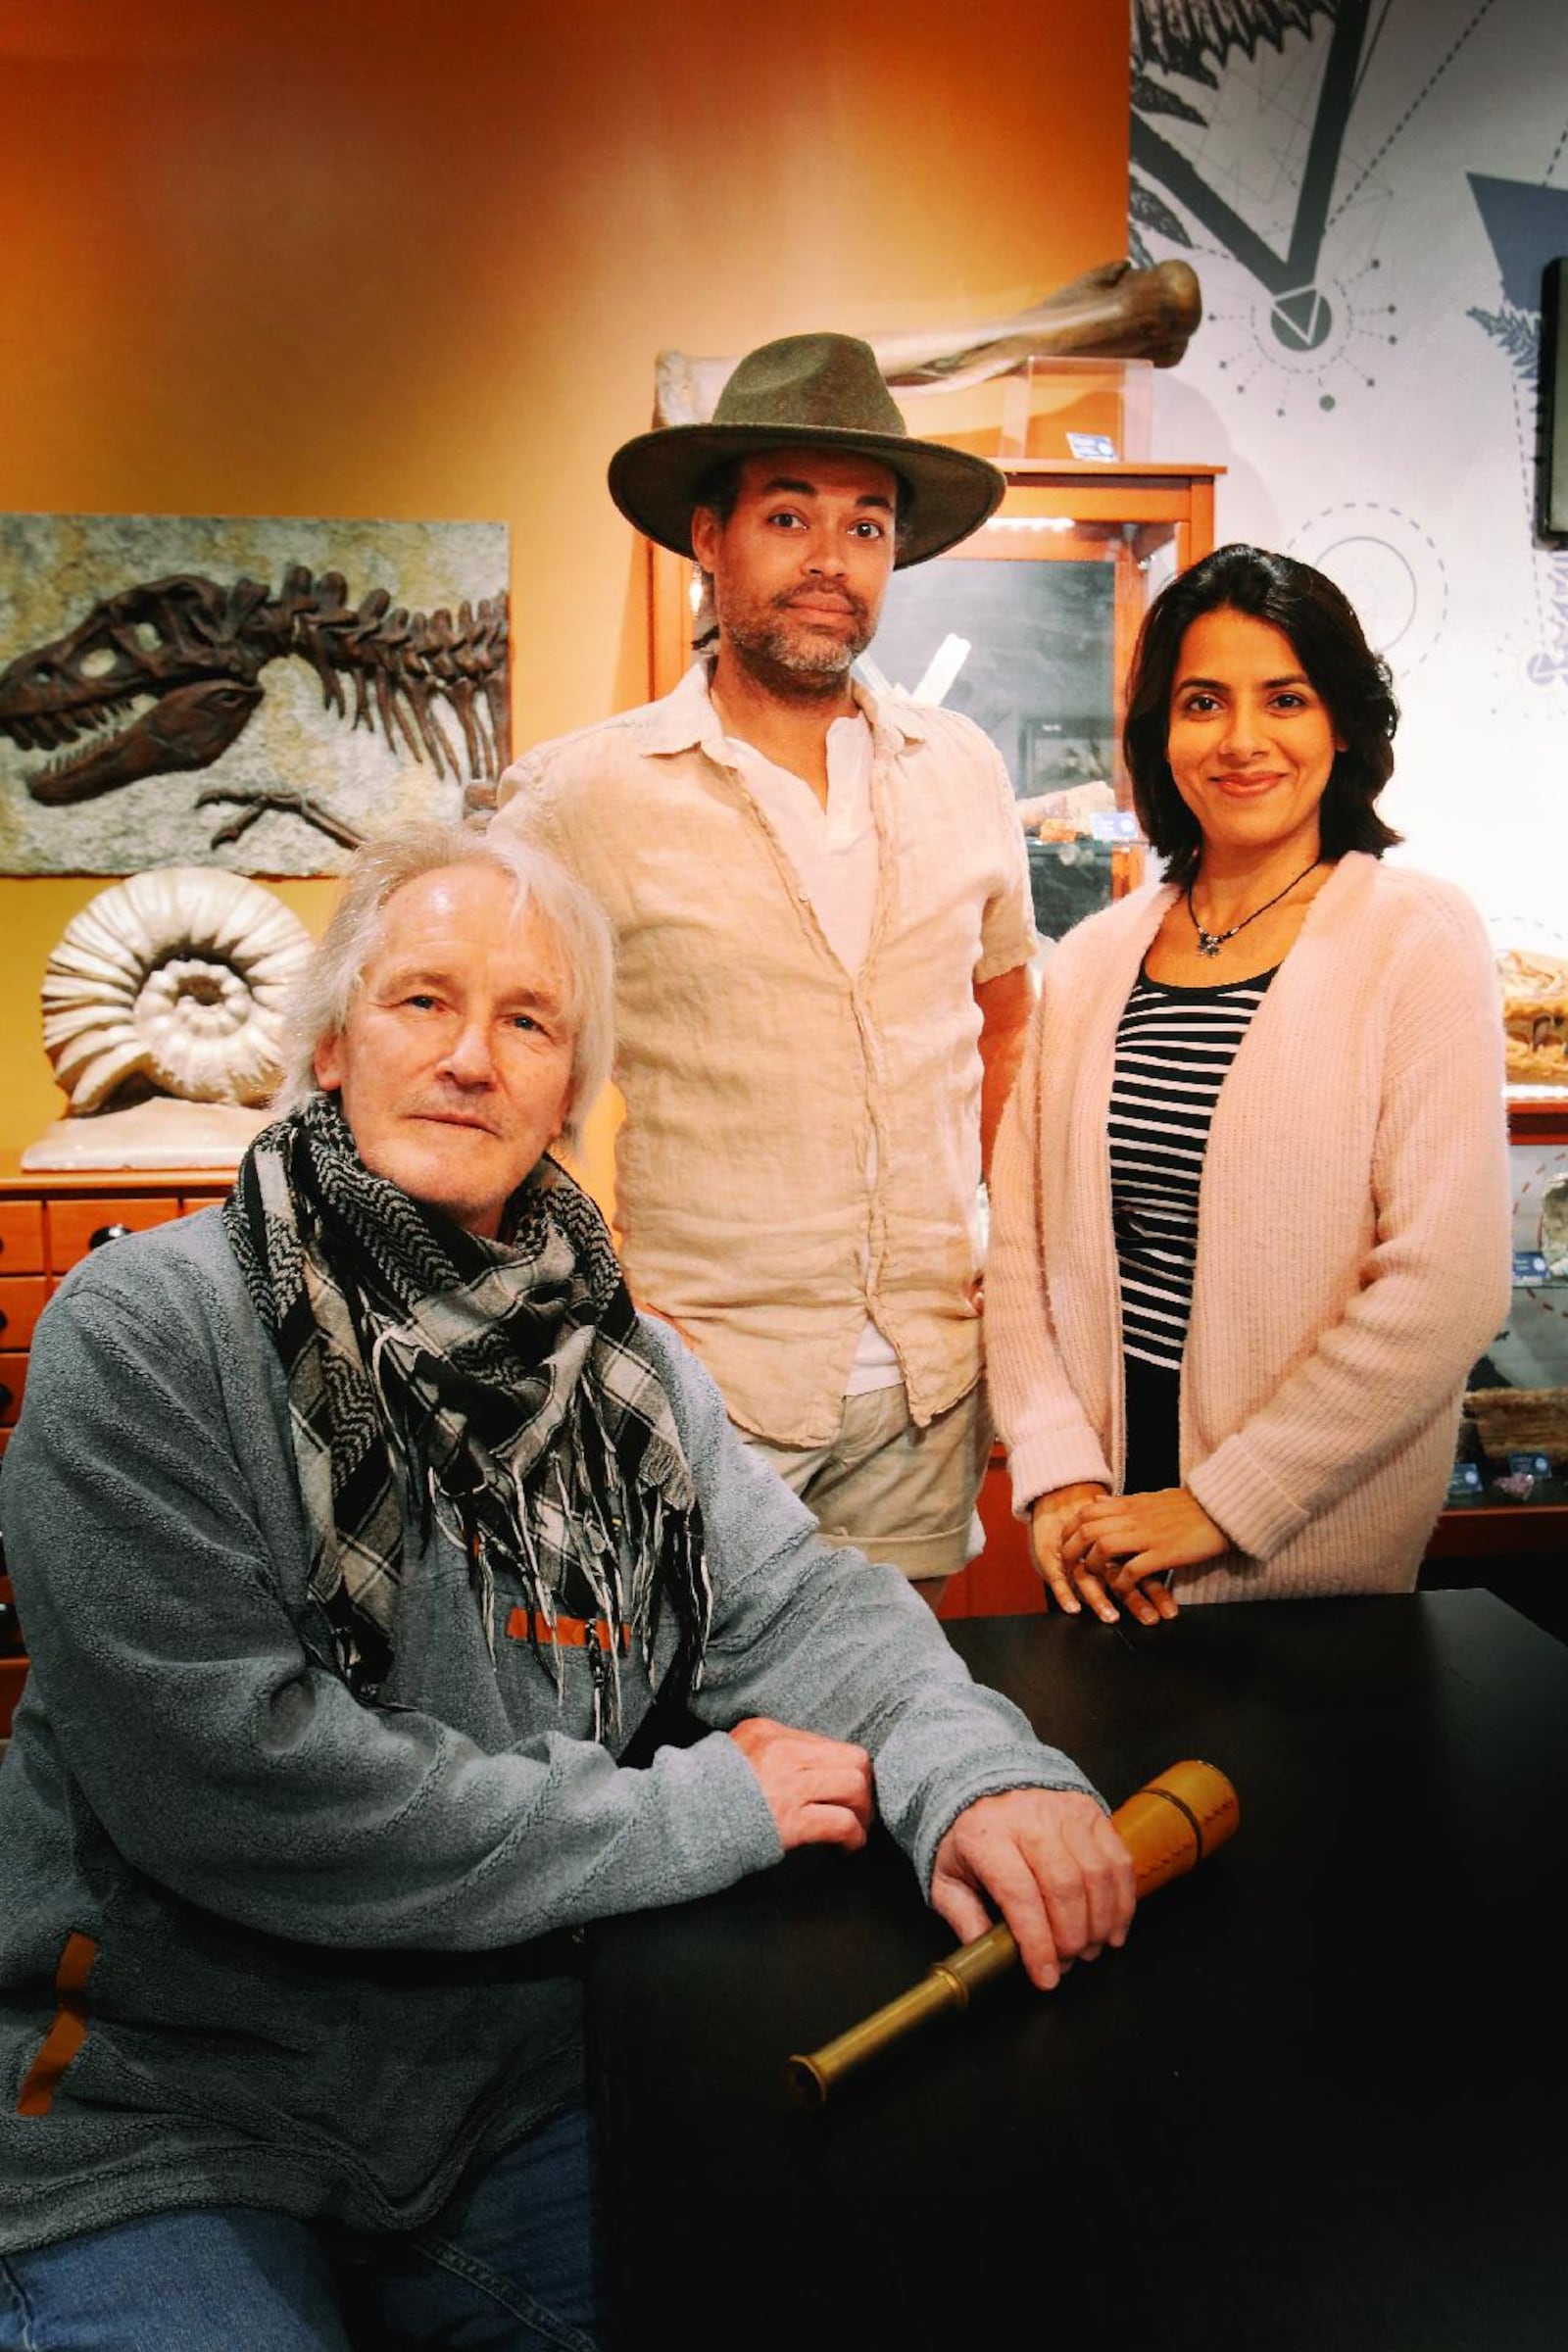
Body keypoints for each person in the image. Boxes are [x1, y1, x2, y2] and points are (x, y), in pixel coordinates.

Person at [0, 822, 1134, 2352]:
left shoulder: (626, 1370)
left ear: (570, 1092)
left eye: (528, 1022)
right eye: (422, 1002)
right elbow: (232, 1784)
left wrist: (975, 1772)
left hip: (505, 2089)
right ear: (331, 1042)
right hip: (164, 2105)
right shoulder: (145, 1331)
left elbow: (794, 1604)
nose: (473, 1057)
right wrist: (689, 1814)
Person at [493, 331, 1035, 1608]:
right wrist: (576, 1298)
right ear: (710, 539)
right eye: (789, 516)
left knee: (907, 1735)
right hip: (702, 1392)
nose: (830, 563)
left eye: (867, 526)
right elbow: (490, 1069)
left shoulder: (963, 771)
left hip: (924, 1391)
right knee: (708, 1753)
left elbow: (1008, 1018)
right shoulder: (581, 796)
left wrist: (997, 1230)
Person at [986, 545, 1512, 1626]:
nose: (1240, 740)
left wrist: (1222, 1502)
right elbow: (1021, 1246)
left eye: (1285, 698)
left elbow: (1444, 1284)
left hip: (1311, 1577)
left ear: (1342, 726)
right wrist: (1056, 1470)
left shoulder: (1414, 939)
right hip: (1096, 1556)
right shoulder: (1090, 958)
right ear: (1158, 733)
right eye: (1201, 701)